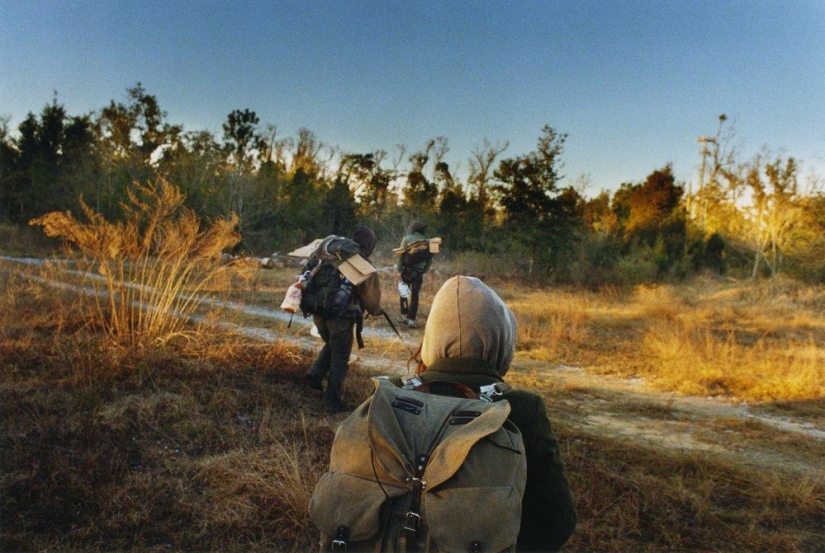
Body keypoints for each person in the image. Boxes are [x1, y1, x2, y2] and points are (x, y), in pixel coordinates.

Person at [402, 275, 576, 551]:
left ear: (431, 336)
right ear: (501, 341)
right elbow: (557, 521)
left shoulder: (393, 395)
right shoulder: (520, 409)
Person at [304, 225, 383, 414]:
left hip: (317, 312)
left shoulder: (330, 252)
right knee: (340, 359)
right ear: (370, 245)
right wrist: (377, 311)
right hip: (340, 318)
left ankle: (314, 374)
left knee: (332, 345)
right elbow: (372, 303)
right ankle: (332, 402)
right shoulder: (361, 263)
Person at [396, 220, 432, 329]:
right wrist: (424, 270)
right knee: (415, 296)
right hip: (419, 272)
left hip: (406, 270)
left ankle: (404, 316)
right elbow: (429, 259)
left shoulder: (406, 239)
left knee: (403, 293)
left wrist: (399, 269)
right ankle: (411, 319)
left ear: (413, 229)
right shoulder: (427, 242)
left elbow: (401, 255)